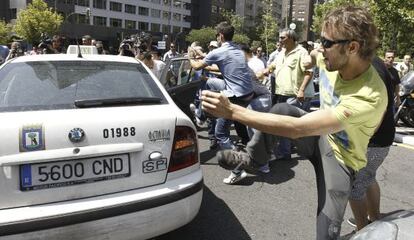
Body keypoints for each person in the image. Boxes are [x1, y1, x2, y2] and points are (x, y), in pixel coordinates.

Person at [201, 6, 386, 239]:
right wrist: (305, 58)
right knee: (282, 109)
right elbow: (314, 58)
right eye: (320, 40)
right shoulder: (329, 58)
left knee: (327, 231)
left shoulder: (369, 96)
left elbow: (298, 129)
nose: (321, 47)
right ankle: (252, 158)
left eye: (327, 42)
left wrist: (231, 111)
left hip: (341, 161)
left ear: (352, 47)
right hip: (320, 137)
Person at [347, 56, 396, 231]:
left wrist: (362, 137)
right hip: (380, 139)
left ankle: (362, 231)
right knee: (369, 177)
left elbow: (378, 108)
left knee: (355, 188)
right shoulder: (375, 63)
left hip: (373, 141)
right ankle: (374, 218)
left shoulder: (371, 68)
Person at [189, 21, 254, 150]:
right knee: (208, 81)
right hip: (248, 93)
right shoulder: (238, 50)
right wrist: (204, 58)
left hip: (235, 96)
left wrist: (190, 56)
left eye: (216, 36)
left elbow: (196, 66)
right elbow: (224, 68)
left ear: (221, 36)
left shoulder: (219, 52)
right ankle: (205, 112)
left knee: (221, 134)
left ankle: (237, 163)